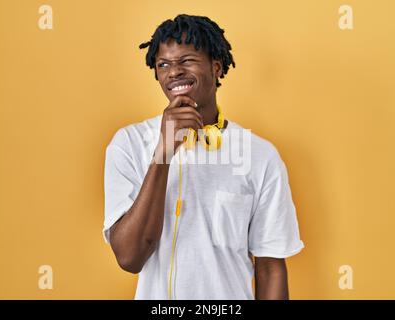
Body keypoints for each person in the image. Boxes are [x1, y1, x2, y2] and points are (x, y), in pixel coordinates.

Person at [103, 14, 304, 300]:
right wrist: (162, 153)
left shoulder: (260, 156)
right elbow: (129, 257)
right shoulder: (129, 144)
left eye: (186, 61)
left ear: (216, 67)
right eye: (164, 64)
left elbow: (270, 268)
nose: (173, 72)